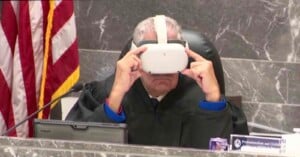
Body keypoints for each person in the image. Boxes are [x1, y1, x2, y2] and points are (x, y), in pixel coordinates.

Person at [66, 15, 247, 149]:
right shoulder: (105, 92)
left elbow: (234, 150)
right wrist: (115, 99)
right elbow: (74, 149)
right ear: (135, 55)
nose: (162, 70)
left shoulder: (205, 98)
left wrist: (213, 100)